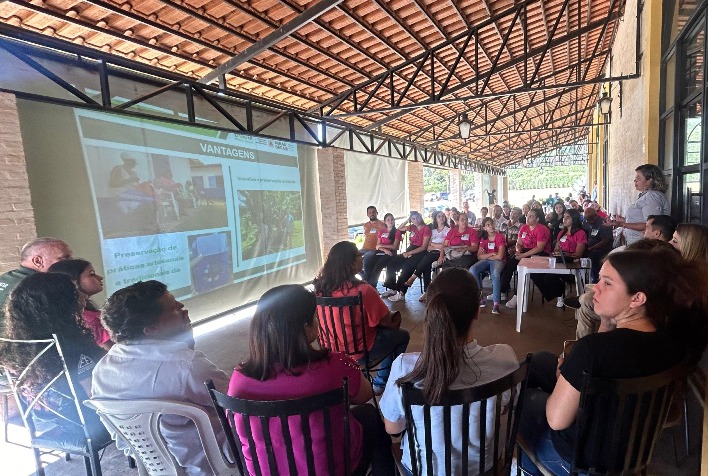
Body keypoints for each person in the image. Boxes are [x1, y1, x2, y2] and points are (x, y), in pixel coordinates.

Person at [518, 248, 708, 475]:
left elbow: (556, 420)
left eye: (607, 283)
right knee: (539, 361)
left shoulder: (591, 350)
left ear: (637, 298)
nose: (595, 288)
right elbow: (609, 355)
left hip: (583, 459)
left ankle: (531, 466)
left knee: (525, 399)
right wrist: (607, 322)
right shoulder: (671, 343)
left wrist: (563, 382)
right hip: (632, 449)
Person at [229, 285, 394, 476]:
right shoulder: (333, 365)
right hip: (332, 469)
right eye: (315, 317)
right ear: (306, 328)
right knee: (369, 415)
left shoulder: (239, 378)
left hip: (267, 472)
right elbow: (365, 394)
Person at [380, 268, 519, 475]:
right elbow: (505, 410)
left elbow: (393, 428)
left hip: (422, 470)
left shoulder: (405, 367)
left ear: (430, 311)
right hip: (483, 469)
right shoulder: (504, 359)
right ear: (477, 312)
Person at [92, 280, 230, 476]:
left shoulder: (102, 370)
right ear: (150, 329)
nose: (183, 308)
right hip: (213, 462)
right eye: (174, 308)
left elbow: (120, 436)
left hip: (156, 466)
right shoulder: (187, 365)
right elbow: (237, 401)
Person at [0, 273, 106, 440]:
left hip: (44, 413)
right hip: (88, 422)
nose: (84, 296)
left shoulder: (18, 344)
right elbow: (96, 395)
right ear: (61, 303)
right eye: (76, 292)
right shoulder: (75, 343)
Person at [313, 241, 409, 394]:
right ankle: (381, 381)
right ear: (350, 263)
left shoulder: (319, 290)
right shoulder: (363, 290)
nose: (362, 258)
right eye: (359, 256)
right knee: (402, 336)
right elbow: (386, 322)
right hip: (360, 352)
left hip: (330, 350)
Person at [0, 237, 72, 335]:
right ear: (38, 261)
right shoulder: (40, 287)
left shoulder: (6, 277)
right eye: (64, 258)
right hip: (23, 346)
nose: (71, 262)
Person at [48, 259, 113, 350]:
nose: (100, 278)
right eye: (92, 274)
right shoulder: (87, 320)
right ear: (73, 281)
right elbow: (108, 350)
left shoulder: (84, 310)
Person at [531, 209, 587, 308]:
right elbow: (556, 248)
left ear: (574, 219)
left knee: (549, 276)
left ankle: (559, 292)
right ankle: (559, 292)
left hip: (571, 263)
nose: (564, 220)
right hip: (559, 260)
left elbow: (578, 253)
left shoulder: (580, 233)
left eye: (567, 218)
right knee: (535, 273)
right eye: (564, 217)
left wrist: (566, 254)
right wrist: (557, 252)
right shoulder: (561, 233)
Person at [500, 209, 551, 309]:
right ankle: (502, 291)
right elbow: (519, 243)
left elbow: (539, 248)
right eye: (527, 215)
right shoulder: (523, 227)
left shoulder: (542, 229)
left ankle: (518, 295)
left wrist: (523, 256)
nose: (528, 217)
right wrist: (518, 250)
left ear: (537, 219)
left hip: (539, 253)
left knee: (522, 267)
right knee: (509, 263)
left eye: (531, 216)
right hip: (525, 251)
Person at [611, 164, 670, 245]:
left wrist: (622, 224)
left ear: (650, 180)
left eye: (638, 178)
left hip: (643, 246)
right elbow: (642, 220)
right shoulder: (646, 195)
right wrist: (624, 220)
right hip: (637, 244)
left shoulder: (652, 197)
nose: (635, 181)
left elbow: (652, 225)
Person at [382, 211, 431, 302]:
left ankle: (401, 293)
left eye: (417, 217)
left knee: (406, 268)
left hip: (420, 251)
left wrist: (409, 253)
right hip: (410, 249)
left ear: (421, 217)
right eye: (413, 218)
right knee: (392, 264)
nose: (415, 220)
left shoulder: (426, 229)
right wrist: (407, 220)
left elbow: (424, 247)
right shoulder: (412, 227)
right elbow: (399, 229)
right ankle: (393, 288)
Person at [404, 210, 450, 302]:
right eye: (439, 216)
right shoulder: (432, 231)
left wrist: (434, 245)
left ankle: (414, 277)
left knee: (427, 258)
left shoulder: (448, 230)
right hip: (431, 252)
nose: (441, 218)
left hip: (442, 253)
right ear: (436, 219)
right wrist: (437, 245)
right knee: (426, 266)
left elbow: (445, 246)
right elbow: (427, 247)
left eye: (443, 216)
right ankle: (427, 291)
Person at [470, 217, 507, 314]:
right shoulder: (484, 238)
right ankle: (480, 298)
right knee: (473, 269)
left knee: (495, 273)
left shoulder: (500, 237)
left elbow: (500, 256)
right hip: (488, 259)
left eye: (492, 224)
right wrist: (491, 254)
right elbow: (478, 256)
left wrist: (486, 255)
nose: (491, 227)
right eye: (488, 225)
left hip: (498, 261)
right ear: (484, 228)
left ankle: (496, 304)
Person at [362, 213, 402, 286]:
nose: (390, 221)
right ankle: (367, 283)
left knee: (378, 266)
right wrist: (384, 249)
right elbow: (377, 246)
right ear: (385, 222)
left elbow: (395, 247)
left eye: (392, 219)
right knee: (368, 262)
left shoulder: (397, 232)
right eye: (388, 220)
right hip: (382, 252)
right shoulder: (382, 231)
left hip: (391, 253)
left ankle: (372, 286)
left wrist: (382, 246)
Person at [582, 206, 612, 283]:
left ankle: (595, 280)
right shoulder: (586, 222)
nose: (588, 221)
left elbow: (605, 240)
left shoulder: (604, 224)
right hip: (589, 247)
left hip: (602, 249)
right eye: (586, 219)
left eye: (590, 219)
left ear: (596, 216)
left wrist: (593, 247)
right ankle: (582, 278)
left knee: (595, 255)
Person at [361, 206, 387, 278]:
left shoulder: (382, 225)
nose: (372, 214)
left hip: (375, 249)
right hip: (364, 248)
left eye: (373, 212)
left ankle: (367, 281)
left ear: (377, 213)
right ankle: (364, 276)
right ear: (367, 214)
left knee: (367, 258)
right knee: (349, 257)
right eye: (370, 212)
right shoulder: (366, 225)